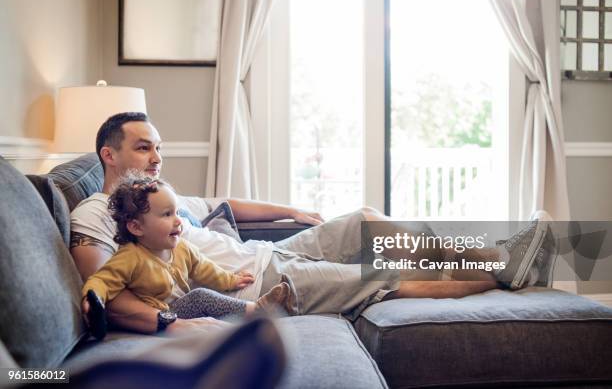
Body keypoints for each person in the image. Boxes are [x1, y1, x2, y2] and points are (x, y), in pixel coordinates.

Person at [70, 112, 554, 334]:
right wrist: (170, 323)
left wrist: (289, 211)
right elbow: (104, 289)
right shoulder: (95, 210)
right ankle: (507, 275)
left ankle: (496, 255)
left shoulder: (162, 198)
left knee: (363, 220)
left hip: (271, 255)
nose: (156, 157)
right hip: (256, 286)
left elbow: (228, 203)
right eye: (143, 147)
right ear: (108, 154)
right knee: (380, 276)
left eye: (158, 146)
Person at [81, 175, 295, 338]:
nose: (178, 221)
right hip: (161, 317)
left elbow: (204, 268)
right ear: (136, 227)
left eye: (176, 213)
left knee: (205, 296)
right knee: (200, 296)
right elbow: (102, 279)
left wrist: (232, 279)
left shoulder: (181, 248)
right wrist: (94, 299)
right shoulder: (130, 257)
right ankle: (258, 310)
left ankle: (250, 321)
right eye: (166, 214)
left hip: (181, 309)